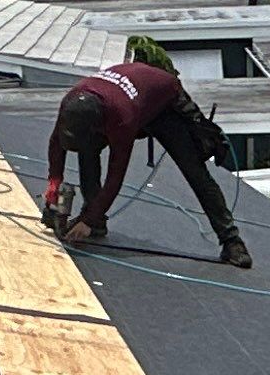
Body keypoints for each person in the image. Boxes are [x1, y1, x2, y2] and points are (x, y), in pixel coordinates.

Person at [40, 42, 251, 269]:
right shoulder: (71, 103)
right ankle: (97, 221)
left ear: (100, 124)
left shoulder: (122, 118)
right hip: (131, 94)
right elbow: (56, 144)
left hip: (165, 103)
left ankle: (232, 241)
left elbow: (115, 176)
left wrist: (87, 221)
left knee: (194, 171)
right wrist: (54, 184)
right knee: (87, 150)